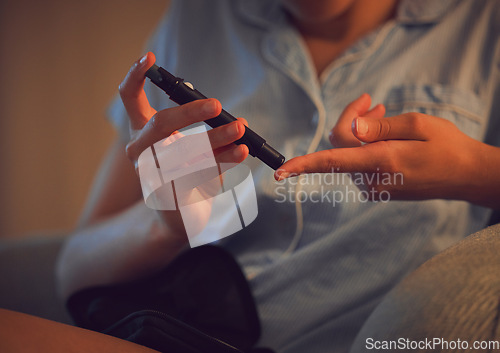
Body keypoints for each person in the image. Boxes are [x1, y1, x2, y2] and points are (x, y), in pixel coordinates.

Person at [2, 0, 499, 352]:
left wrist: (476, 172)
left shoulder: (483, 24)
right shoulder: (201, 16)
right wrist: (166, 226)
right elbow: (73, 271)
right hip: (177, 332)